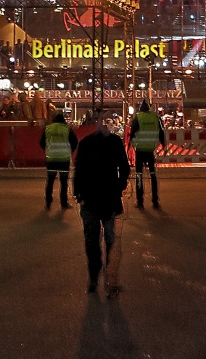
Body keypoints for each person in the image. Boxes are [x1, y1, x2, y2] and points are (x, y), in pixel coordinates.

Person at [72, 110, 130, 297]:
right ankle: (109, 278)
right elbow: (125, 167)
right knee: (110, 238)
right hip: (109, 198)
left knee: (91, 239)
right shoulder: (114, 142)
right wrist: (119, 187)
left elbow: (78, 170)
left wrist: (78, 194)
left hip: (89, 199)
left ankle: (94, 277)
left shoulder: (86, 143)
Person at [42, 108, 78, 208]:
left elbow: (42, 142)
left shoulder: (48, 128)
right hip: (64, 159)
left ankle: (48, 202)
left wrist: (49, 149)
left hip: (51, 158)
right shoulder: (67, 129)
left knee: (50, 181)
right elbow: (75, 142)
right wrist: (68, 150)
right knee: (63, 182)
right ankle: (63, 202)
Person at [129, 100, 162, 208]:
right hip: (150, 150)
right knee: (152, 175)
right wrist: (163, 144)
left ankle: (140, 201)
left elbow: (133, 131)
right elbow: (161, 131)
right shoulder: (155, 117)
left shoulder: (138, 117)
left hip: (140, 150)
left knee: (139, 175)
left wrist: (130, 144)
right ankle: (155, 200)